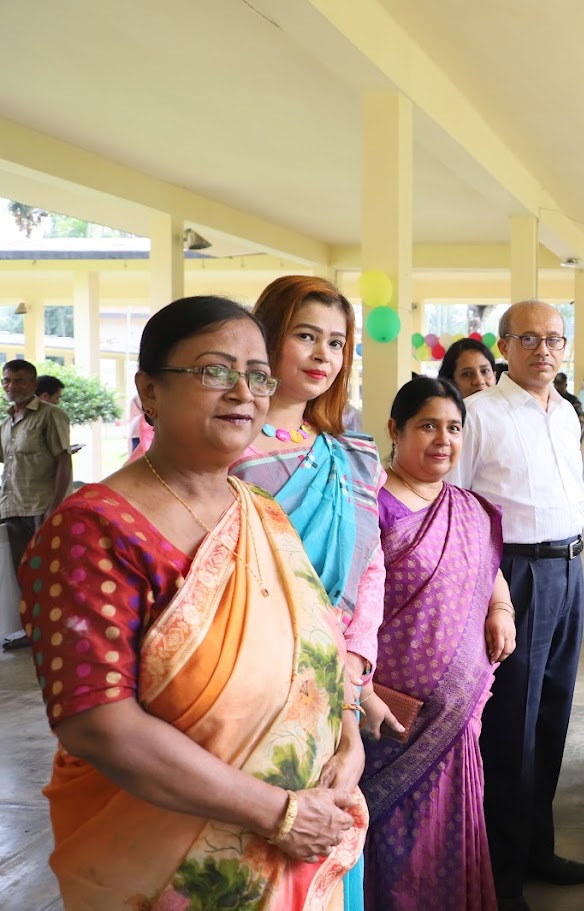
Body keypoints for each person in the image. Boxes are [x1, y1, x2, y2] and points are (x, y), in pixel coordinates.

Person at [21, 296, 364, 910]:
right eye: (214, 370)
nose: (243, 392)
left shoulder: (261, 511)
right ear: (149, 391)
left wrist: (349, 737)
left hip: (302, 847)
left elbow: (319, 645)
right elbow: (98, 725)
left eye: (258, 375)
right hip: (167, 869)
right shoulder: (93, 529)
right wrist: (280, 813)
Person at [230, 275, 387, 908]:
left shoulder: (353, 457)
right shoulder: (225, 452)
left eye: (337, 342)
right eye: (305, 336)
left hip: (329, 690)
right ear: (267, 339)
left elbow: (369, 574)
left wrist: (352, 692)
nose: (324, 355)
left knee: (322, 854)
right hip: (241, 685)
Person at [450, 300, 584, 911]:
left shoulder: (565, 412)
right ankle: (502, 876)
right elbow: (456, 507)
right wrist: (490, 592)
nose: (544, 350)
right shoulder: (479, 413)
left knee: (554, 717)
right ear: (504, 347)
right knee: (512, 727)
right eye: (529, 339)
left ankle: (539, 849)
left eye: (554, 339)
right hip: (514, 575)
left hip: (568, 568)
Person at [361, 377, 516, 911]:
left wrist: (501, 609)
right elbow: (343, 606)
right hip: (389, 714)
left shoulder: (467, 508)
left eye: (453, 428)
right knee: (395, 841)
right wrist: (361, 690)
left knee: (450, 832)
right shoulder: (372, 505)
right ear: (395, 429)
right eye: (428, 425)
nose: (443, 440)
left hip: (456, 716)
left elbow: (489, 571)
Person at [0, 358, 72, 651]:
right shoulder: (7, 423)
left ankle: (62, 630)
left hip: (42, 507)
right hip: (13, 508)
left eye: (19, 380)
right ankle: (33, 631)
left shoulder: (50, 415)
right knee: (25, 575)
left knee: (49, 573)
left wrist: (54, 508)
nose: (12, 386)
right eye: (7, 380)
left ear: (32, 383)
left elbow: (63, 461)